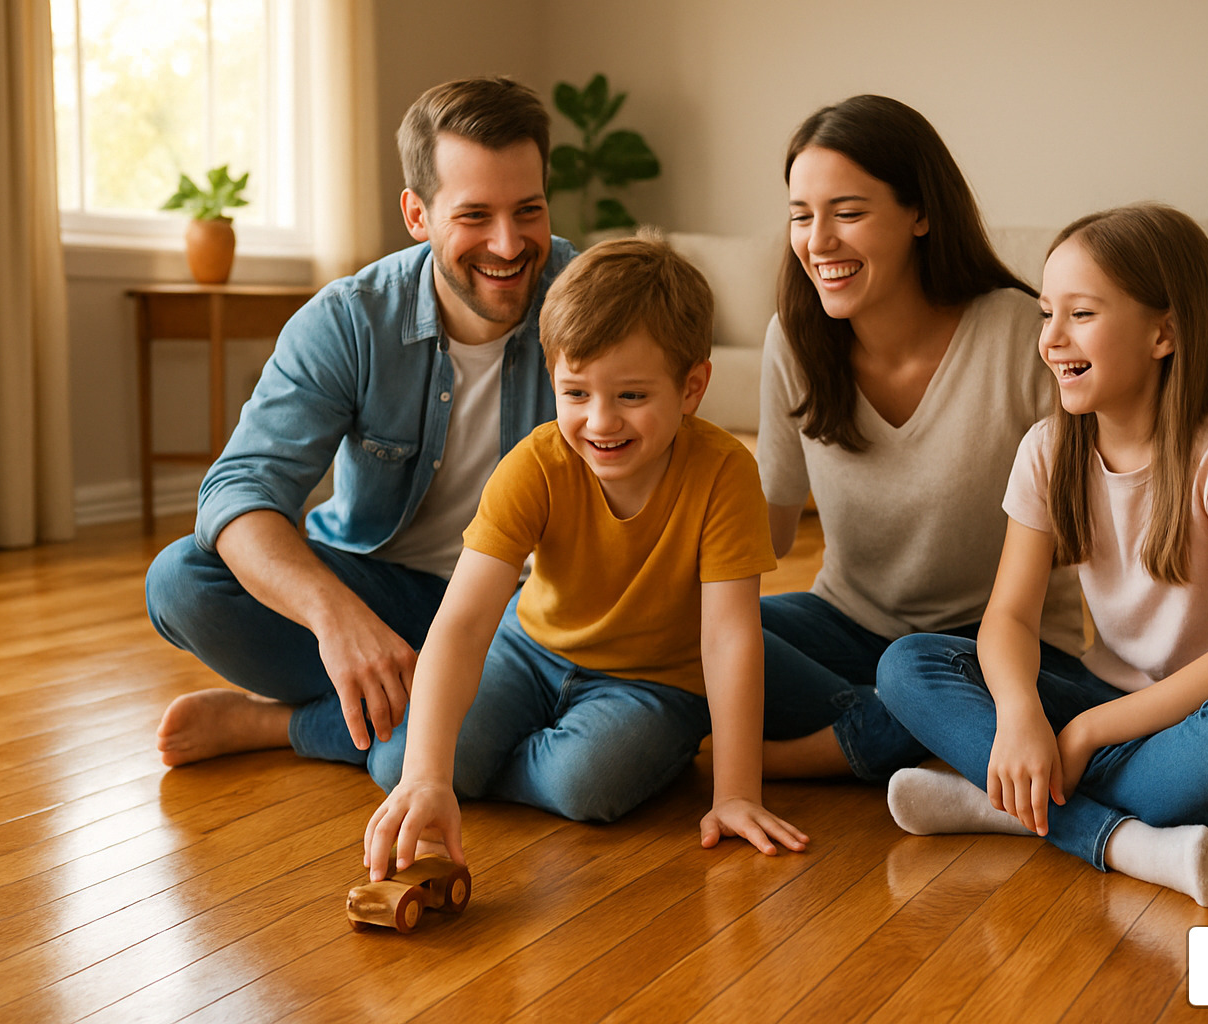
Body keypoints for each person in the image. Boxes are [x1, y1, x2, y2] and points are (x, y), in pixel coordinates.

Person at [877, 204, 1208, 908]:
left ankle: (1001, 803)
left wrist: (1085, 732)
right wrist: (1022, 710)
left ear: (1165, 332)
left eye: (1081, 314)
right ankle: (1120, 838)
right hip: (1116, 698)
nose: (1052, 340)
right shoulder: (1047, 451)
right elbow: (1008, 617)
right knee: (908, 665)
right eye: (1045, 314)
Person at [146, 77, 576, 770]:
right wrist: (335, 620)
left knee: (442, 756)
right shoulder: (350, 319)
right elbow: (239, 491)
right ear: (417, 213)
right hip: (386, 595)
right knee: (181, 581)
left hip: (528, 616)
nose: (508, 243)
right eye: (474, 216)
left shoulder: (586, 304)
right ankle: (420, 706)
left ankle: (288, 727)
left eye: (528, 210)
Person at [363, 233, 808, 880]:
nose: (600, 422)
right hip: (531, 649)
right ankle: (318, 733)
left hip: (652, 681)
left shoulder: (725, 474)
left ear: (692, 387)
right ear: (552, 381)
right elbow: (461, 625)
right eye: (575, 394)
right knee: (403, 766)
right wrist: (429, 777)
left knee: (586, 787)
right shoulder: (535, 467)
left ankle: (487, 764)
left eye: (631, 396)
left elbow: (732, 636)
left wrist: (735, 792)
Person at [757, 95, 1083, 782]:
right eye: (801, 215)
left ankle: (844, 749)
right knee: (704, 633)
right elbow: (769, 536)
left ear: (921, 214)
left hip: (995, 647)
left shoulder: (1021, 335)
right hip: (845, 628)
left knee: (926, 675)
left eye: (848, 212)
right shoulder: (794, 338)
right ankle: (930, 739)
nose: (818, 241)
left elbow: (1092, 527)